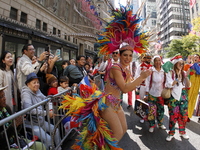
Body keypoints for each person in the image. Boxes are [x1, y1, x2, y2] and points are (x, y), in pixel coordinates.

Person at [21, 73, 61, 150]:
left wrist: (50, 110)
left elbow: (47, 99)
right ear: (28, 84)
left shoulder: (38, 90)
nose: (37, 84)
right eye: (34, 82)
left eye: (38, 82)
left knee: (55, 130)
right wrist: (46, 113)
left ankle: (59, 148)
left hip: (40, 121)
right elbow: (29, 110)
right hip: (31, 124)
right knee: (48, 139)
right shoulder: (26, 94)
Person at [0, 85, 46, 150]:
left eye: (4, 95)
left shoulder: (6, 108)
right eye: (1, 97)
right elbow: (2, 140)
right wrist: (14, 125)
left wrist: (19, 123)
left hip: (15, 139)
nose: (4, 98)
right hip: (5, 146)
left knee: (41, 146)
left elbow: (16, 131)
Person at [165, 55, 190, 141]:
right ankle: (171, 133)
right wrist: (176, 79)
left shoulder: (183, 73)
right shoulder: (170, 73)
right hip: (173, 97)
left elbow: (188, 86)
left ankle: (182, 132)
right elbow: (168, 84)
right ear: (175, 63)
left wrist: (187, 77)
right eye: (179, 63)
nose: (181, 65)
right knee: (173, 116)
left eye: (182, 64)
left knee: (183, 115)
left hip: (183, 96)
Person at [145, 55, 166, 133]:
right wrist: (146, 94)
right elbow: (147, 82)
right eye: (156, 60)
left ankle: (160, 124)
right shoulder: (151, 70)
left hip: (161, 94)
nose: (158, 62)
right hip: (152, 93)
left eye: (159, 60)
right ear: (153, 62)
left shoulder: (164, 71)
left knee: (161, 110)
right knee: (151, 110)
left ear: (161, 61)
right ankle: (151, 125)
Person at [188, 54, 200, 119]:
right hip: (189, 85)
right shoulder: (189, 66)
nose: (195, 58)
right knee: (187, 99)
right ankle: (184, 114)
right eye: (194, 57)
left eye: (197, 57)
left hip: (196, 86)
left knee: (193, 100)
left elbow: (199, 72)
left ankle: (189, 115)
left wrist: (194, 64)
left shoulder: (198, 66)